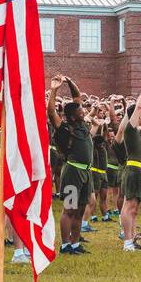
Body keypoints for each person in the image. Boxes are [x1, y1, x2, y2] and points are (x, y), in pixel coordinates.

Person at [48, 74, 93, 255]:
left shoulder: (82, 125)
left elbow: (77, 96)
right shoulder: (65, 128)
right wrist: (54, 89)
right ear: (72, 116)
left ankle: (75, 244)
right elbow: (51, 112)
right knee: (70, 209)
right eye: (80, 112)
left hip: (86, 173)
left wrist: (69, 81)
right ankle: (65, 245)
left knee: (81, 209)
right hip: (73, 173)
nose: (83, 112)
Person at [115, 79, 141, 250]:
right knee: (129, 206)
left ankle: (131, 240)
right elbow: (138, 107)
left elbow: (120, 131)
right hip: (134, 171)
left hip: (138, 171)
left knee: (134, 208)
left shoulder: (132, 130)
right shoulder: (131, 129)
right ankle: (127, 242)